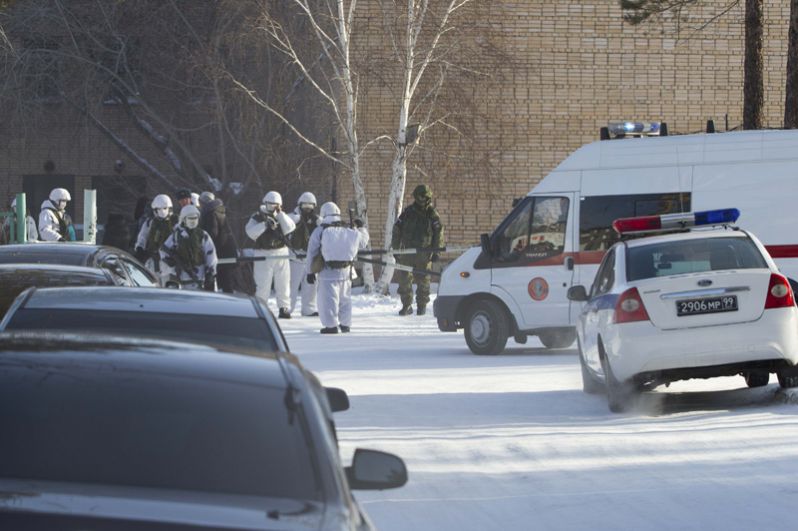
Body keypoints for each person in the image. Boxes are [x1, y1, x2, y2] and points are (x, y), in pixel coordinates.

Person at [306, 202, 368, 334]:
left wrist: (309, 271)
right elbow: (362, 243)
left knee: (328, 301)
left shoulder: (320, 230)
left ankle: (331, 326)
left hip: (327, 273)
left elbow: (311, 251)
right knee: (345, 300)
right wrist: (361, 227)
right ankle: (345, 324)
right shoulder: (350, 228)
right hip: (346, 272)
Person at [391, 184, 444, 316]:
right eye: (420, 196)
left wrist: (436, 252)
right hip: (407, 252)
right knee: (404, 279)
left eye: (425, 197)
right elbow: (396, 230)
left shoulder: (432, 214)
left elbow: (439, 233)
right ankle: (406, 305)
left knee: (423, 280)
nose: (423, 199)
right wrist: (396, 250)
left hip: (424, 253)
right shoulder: (408, 212)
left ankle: (422, 306)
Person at [245, 191, 296, 318]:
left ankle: (284, 308)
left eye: (275, 205)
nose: (272, 207)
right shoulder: (257, 216)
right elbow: (250, 232)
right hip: (263, 253)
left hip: (281, 252)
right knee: (262, 283)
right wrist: (264, 224)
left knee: (283, 282)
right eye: (270, 204)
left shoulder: (281, 215)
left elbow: (290, 227)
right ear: (265, 203)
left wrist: (280, 215)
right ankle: (261, 307)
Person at [160, 204, 217, 291]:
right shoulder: (176, 235)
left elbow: (211, 255)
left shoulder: (202, 235)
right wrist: (170, 262)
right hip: (181, 279)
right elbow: (163, 250)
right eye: (190, 218)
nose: (193, 221)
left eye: (195, 218)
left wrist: (210, 273)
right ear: (184, 219)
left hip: (199, 277)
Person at [288, 192, 320, 316]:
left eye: (310, 206)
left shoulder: (316, 220)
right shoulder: (293, 217)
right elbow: (285, 224)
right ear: (300, 205)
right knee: (291, 285)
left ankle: (309, 308)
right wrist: (296, 220)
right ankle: (288, 308)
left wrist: (317, 220)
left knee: (311, 286)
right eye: (305, 205)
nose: (307, 208)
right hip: (295, 257)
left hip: (310, 258)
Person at [134, 194, 178, 284]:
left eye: (164, 209)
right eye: (159, 209)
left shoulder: (175, 223)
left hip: (170, 262)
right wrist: (140, 248)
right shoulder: (150, 222)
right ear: (155, 210)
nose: (162, 212)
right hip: (153, 260)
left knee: (169, 286)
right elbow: (143, 236)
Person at [199, 191, 237, 293]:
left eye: (200, 203)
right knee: (227, 281)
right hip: (227, 250)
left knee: (223, 281)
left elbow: (212, 233)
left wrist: (203, 242)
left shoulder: (210, 213)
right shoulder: (219, 211)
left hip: (221, 251)